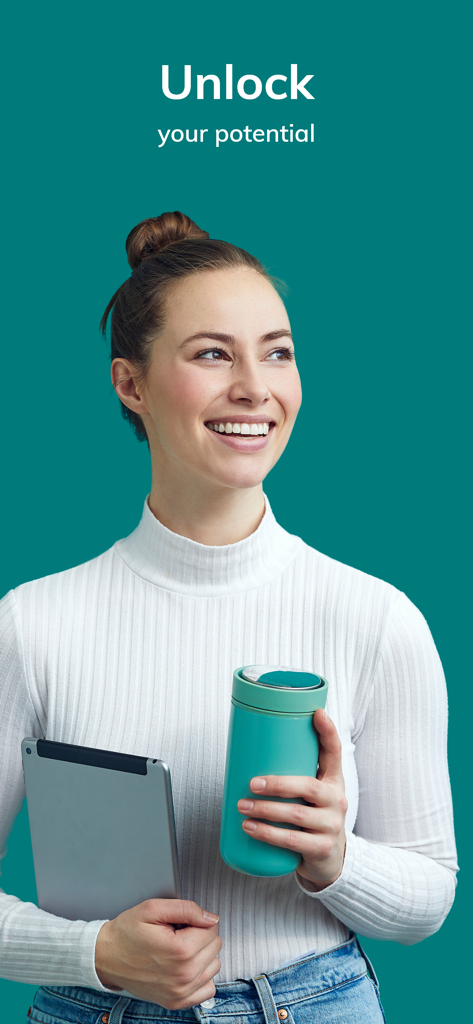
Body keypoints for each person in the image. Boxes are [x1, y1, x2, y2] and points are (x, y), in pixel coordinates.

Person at [0, 211, 457, 1024]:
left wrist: (334, 860)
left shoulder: (375, 618)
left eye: (276, 352)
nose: (256, 387)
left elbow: (428, 897)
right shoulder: (33, 625)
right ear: (129, 383)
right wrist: (91, 952)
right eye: (212, 353)